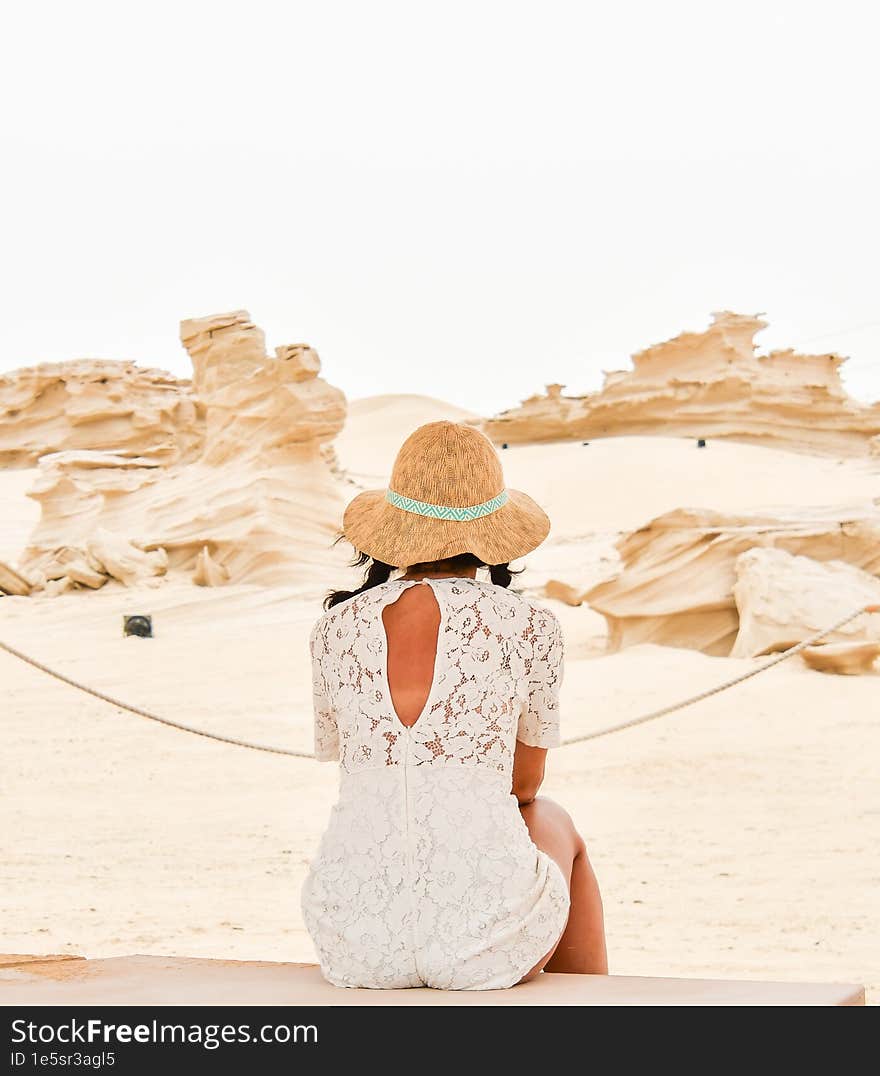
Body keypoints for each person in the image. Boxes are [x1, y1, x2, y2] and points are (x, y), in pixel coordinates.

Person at [301, 420, 608, 990]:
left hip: (352, 933)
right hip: (481, 941)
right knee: (553, 820)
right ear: (495, 535)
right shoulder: (529, 624)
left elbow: (364, 766)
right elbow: (523, 786)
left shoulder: (335, 629)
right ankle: (594, 1005)